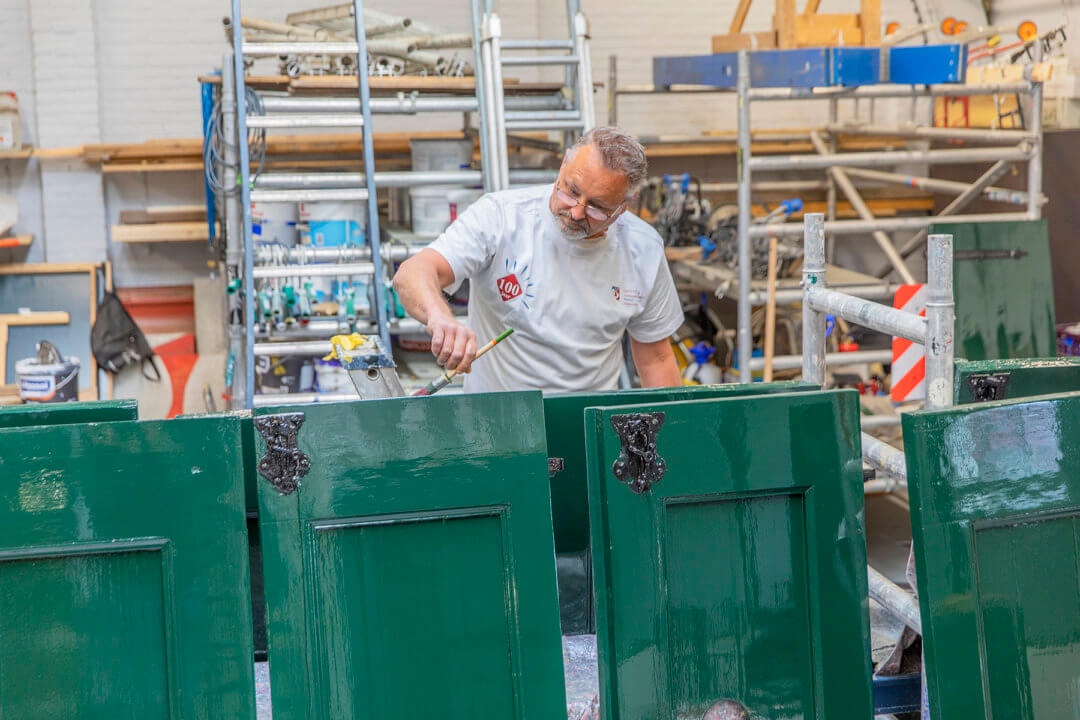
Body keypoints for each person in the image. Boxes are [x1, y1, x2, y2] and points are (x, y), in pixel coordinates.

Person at [392, 126, 684, 393]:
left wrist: (671, 438)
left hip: (585, 425)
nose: (577, 212)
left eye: (597, 207)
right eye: (572, 191)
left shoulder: (643, 249)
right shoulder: (502, 217)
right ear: (564, 164)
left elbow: (656, 360)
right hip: (498, 425)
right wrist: (441, 318)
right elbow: (414, 273)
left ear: (623, 207)